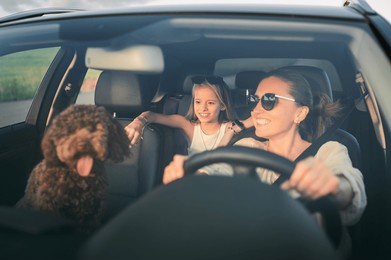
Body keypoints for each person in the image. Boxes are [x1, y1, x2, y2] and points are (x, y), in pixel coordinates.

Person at [162, 69, 367, 257]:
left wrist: (333, 186)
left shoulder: (329, 150)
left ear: (300, 113)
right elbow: (217, 170)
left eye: (269, 100)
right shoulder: (248, 146)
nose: (256, 110)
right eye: (255, 100)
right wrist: (191, 176)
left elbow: (349, 184)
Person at [125, 75, 252, 174]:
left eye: (211, 103)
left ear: (223, 106)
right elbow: (152, 115)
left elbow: (255, 119)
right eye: (198, 102)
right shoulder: (188, 126)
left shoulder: (230, 127)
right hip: (193, 180)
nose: (203, 108)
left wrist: (236, 128)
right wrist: (138, 122)